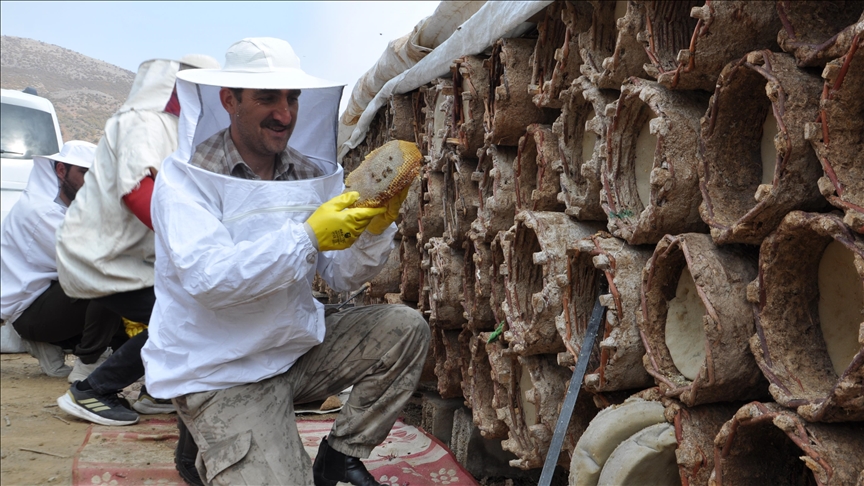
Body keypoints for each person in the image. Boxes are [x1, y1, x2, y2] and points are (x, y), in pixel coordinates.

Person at [140, 37, 430, 486]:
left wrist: (374, 231)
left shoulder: (309, 174)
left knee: (405, 330)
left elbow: (341, 275)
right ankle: (202, 431)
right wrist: (306, 237)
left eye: (292, 97)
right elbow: (208, 278)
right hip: (219, 367)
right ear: (229, 100)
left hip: (292, 347)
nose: (285, 113)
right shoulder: (185, 179)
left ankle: (340, 457)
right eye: (267, 98)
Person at [55, 54, 220, 427]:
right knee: (181, 317)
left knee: (179, 315)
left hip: (129, 256)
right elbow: (137, 192)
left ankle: (154, 392)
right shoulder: (141, 122)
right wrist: (196, 238)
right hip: (103, 255)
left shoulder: (174, 128)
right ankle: (93, 391)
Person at [0, 140, 126, 378]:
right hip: (31, 314)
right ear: (61, 170)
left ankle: (58, 345)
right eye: (85, 173)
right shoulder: (42, 212)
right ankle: (88, 364)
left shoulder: (66, 207)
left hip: (45, 302)